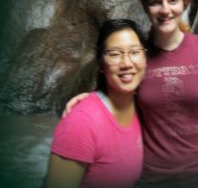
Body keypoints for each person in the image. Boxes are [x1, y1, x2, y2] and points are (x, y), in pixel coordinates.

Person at [65, 0, 198, 188]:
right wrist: (90, 100)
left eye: (172, 0)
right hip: (152, 178)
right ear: (146, 7)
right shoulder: (137, 57)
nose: (165, 9)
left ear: (185, 2)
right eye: (156, 2)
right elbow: (118, 101)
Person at [42, 19, 148, 188]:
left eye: (135, 52)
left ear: (145, 57)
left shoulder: (144, 107)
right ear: (101, 65)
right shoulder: (81, 123)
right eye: (114, 54)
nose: (127, 63)